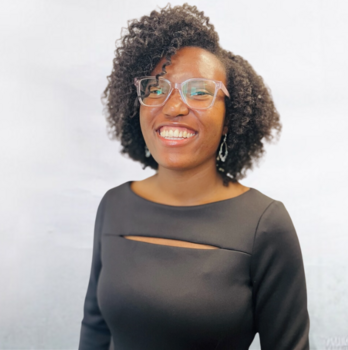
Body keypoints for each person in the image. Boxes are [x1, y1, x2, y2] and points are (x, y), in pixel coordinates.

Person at [78, 3, 310, 350]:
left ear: (230, 117)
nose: (173, 107)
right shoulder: (114, 205)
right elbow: (95, 332)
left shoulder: (265, 224)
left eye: (199, 91)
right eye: (156, 88)